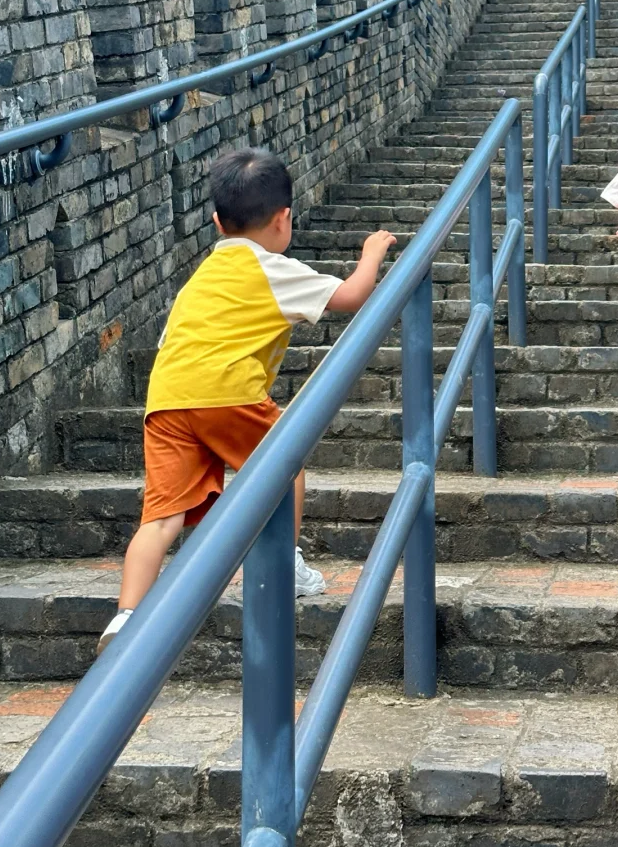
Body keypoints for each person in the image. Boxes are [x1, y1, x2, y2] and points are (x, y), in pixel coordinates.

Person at [96, 147, 396, 655]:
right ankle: (285, 564)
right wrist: (373, 253)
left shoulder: (204, 274)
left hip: (166, 399)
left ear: (216, 222)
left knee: (161, 517)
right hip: (226, 391)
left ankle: (126, 617)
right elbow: (349, 296)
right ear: (283, 219)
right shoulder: (267, 266)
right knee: (287, 466)